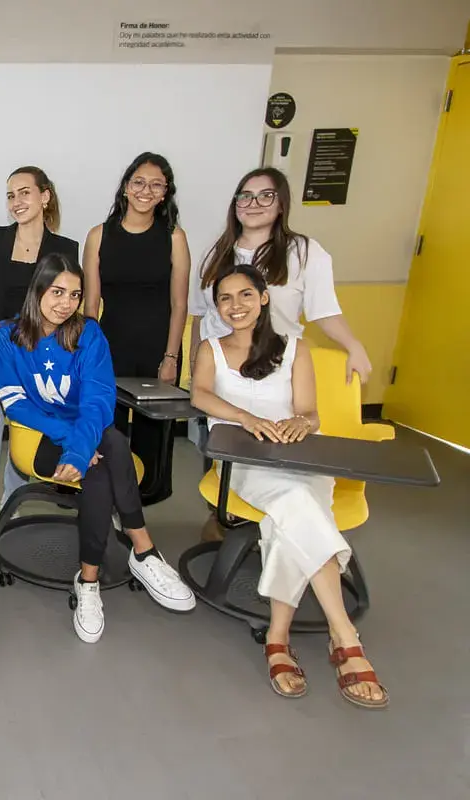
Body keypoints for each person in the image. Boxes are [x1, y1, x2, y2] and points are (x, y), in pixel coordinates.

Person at [190, 264, 387, 709]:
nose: (235, 305)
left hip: (299, 457)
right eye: (225, 299)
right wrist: (246, 418)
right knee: (298, 505)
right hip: (244, 459)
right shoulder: (210, 349)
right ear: (216, 307)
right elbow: (200, 395)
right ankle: (345, 635)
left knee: (287, 518)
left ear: (263, 298)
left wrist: (302, 423)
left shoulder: (295, 349)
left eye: (245, 295)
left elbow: (310, 413)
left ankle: (278, 638)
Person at [0, 253, 195, 644]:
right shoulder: (6, 335)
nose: (66, 303)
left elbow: (98, 402)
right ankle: (142, 551)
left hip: (90, 432)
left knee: (107, 451)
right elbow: (17, 405)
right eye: (57, 292)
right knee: (110, 449)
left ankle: (90, 580)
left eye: (75, 294)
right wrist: (74, 443)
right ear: (37, 290)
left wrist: (80, 448)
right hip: (39, 437)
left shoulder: (89, 334)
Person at [189, 167, 371, 383]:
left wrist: (353, 346)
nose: (253, 204)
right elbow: (200, 316)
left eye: (266, 196)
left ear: (281, 205)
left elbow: (324, 311)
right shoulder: (215, 253)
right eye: (245, 196)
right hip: (218, 370)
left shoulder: (304, 252)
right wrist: (194, 365)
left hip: (274, 370)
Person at [82, 153, 190, 495]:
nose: (146, 190)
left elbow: (179, 304)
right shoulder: (99, 235)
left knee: (152, 434)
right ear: (126, 187)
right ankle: (107, 496)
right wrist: (88, 355)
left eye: (156, 185)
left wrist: (171, 357)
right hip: (110, 347)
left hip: (158, 348)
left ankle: (145, 500)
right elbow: (91, 305)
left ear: (165, 193)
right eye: (139, 182)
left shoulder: (174, 237)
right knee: (107, 428)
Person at [0, 166, 79, 403]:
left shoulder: (66, 249)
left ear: (45, 196)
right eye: (11, 196)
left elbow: (65, 306)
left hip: (40, 356)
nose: (16, 202)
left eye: (25, 192)